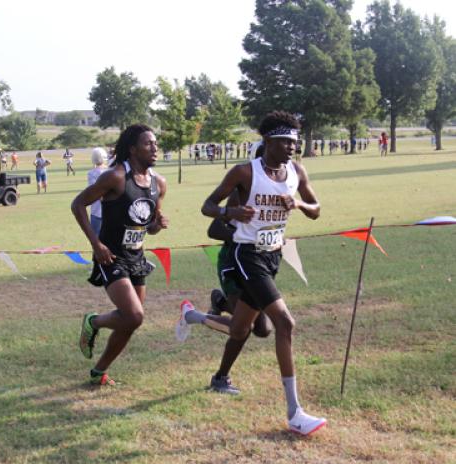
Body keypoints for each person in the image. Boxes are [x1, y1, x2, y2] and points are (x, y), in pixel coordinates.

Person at [191, 110, 326, 436]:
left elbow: (317, 210)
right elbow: (208, 206)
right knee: (284, 323)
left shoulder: (297, 172)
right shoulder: (243, 172)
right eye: (285, 142)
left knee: (242, 329)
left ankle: (194, 318)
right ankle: (295, 413)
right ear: (267, 142)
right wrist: (231, 211)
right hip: (245, 254)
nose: (292, 147)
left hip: (272, 256)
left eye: (294, 142)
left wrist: (299, 205)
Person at [71, 124, 169, 385]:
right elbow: (78, 204)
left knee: (130, 322)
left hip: (137, 257)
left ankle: (98, 371)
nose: (155, 147)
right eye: (148, 143)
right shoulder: (115, 177)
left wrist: (156, 226)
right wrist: (96, 244)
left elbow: (148, 226)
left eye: (156, 143)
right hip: (110, 256)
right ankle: (94, 321)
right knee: (134, 315)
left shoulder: (159, 183)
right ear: (133, 148)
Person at [176, 142, 274, 395]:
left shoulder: (277, 190)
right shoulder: (240, 194)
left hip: (257, 263)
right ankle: (219, 375)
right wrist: (242, 232)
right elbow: (214, 229)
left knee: (263, 329)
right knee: (241, 329)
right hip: (233, 263)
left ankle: (215, 303)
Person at [87, 147, 108, 235]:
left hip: (96, 211)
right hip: (111, 210)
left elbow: (93, 191)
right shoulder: (111, 171)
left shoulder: (91, 173)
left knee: (96, 240)